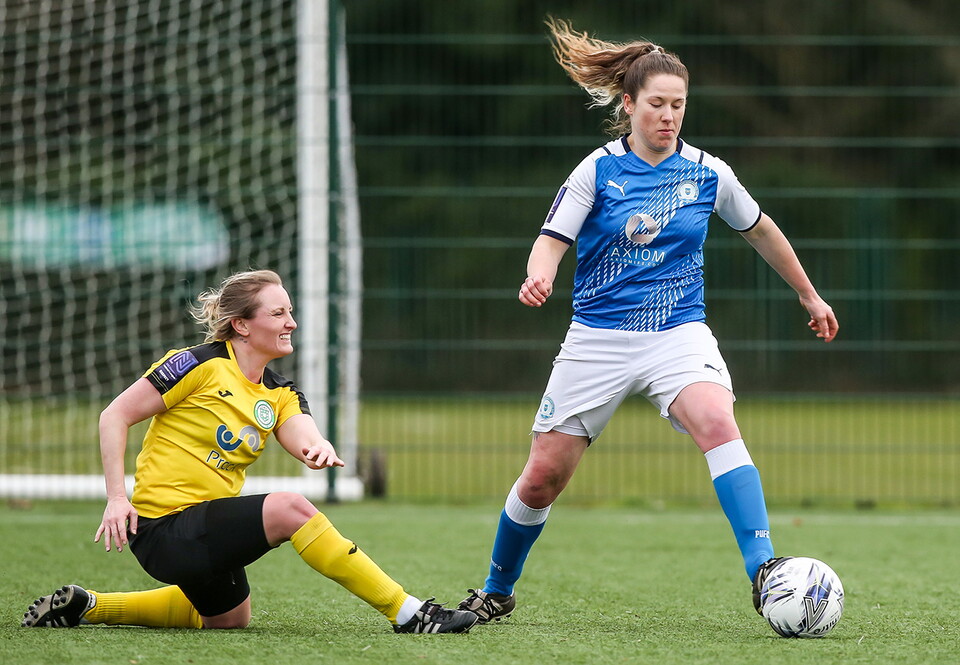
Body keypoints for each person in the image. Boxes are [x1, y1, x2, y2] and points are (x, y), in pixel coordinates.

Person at [458, 18, 839, 624]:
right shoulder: (598, 171)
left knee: (716, 418)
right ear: (629, 104)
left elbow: (763, 230)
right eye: (656, 104)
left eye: (678, 106)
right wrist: (541, 273)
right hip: (598, 338)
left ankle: (763, 571)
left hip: (677, 333)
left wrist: (809, 295)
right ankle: (497, 587)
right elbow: (552, 238)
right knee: (541, 479)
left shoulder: (709, 174)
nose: (668, 116)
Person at [22, 269, 477, 634]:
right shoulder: (198, 364)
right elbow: (113, 416)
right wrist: (118, 498)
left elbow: (303, 435)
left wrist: (318, 448)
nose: (291, 323)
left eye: (291, 312)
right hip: (163, 529)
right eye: (278, 313)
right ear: (242, 324)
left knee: (228, 620)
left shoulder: (280, 393)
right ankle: (409, 612)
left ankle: (90, 606)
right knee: (292, 508)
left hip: (204, 527)